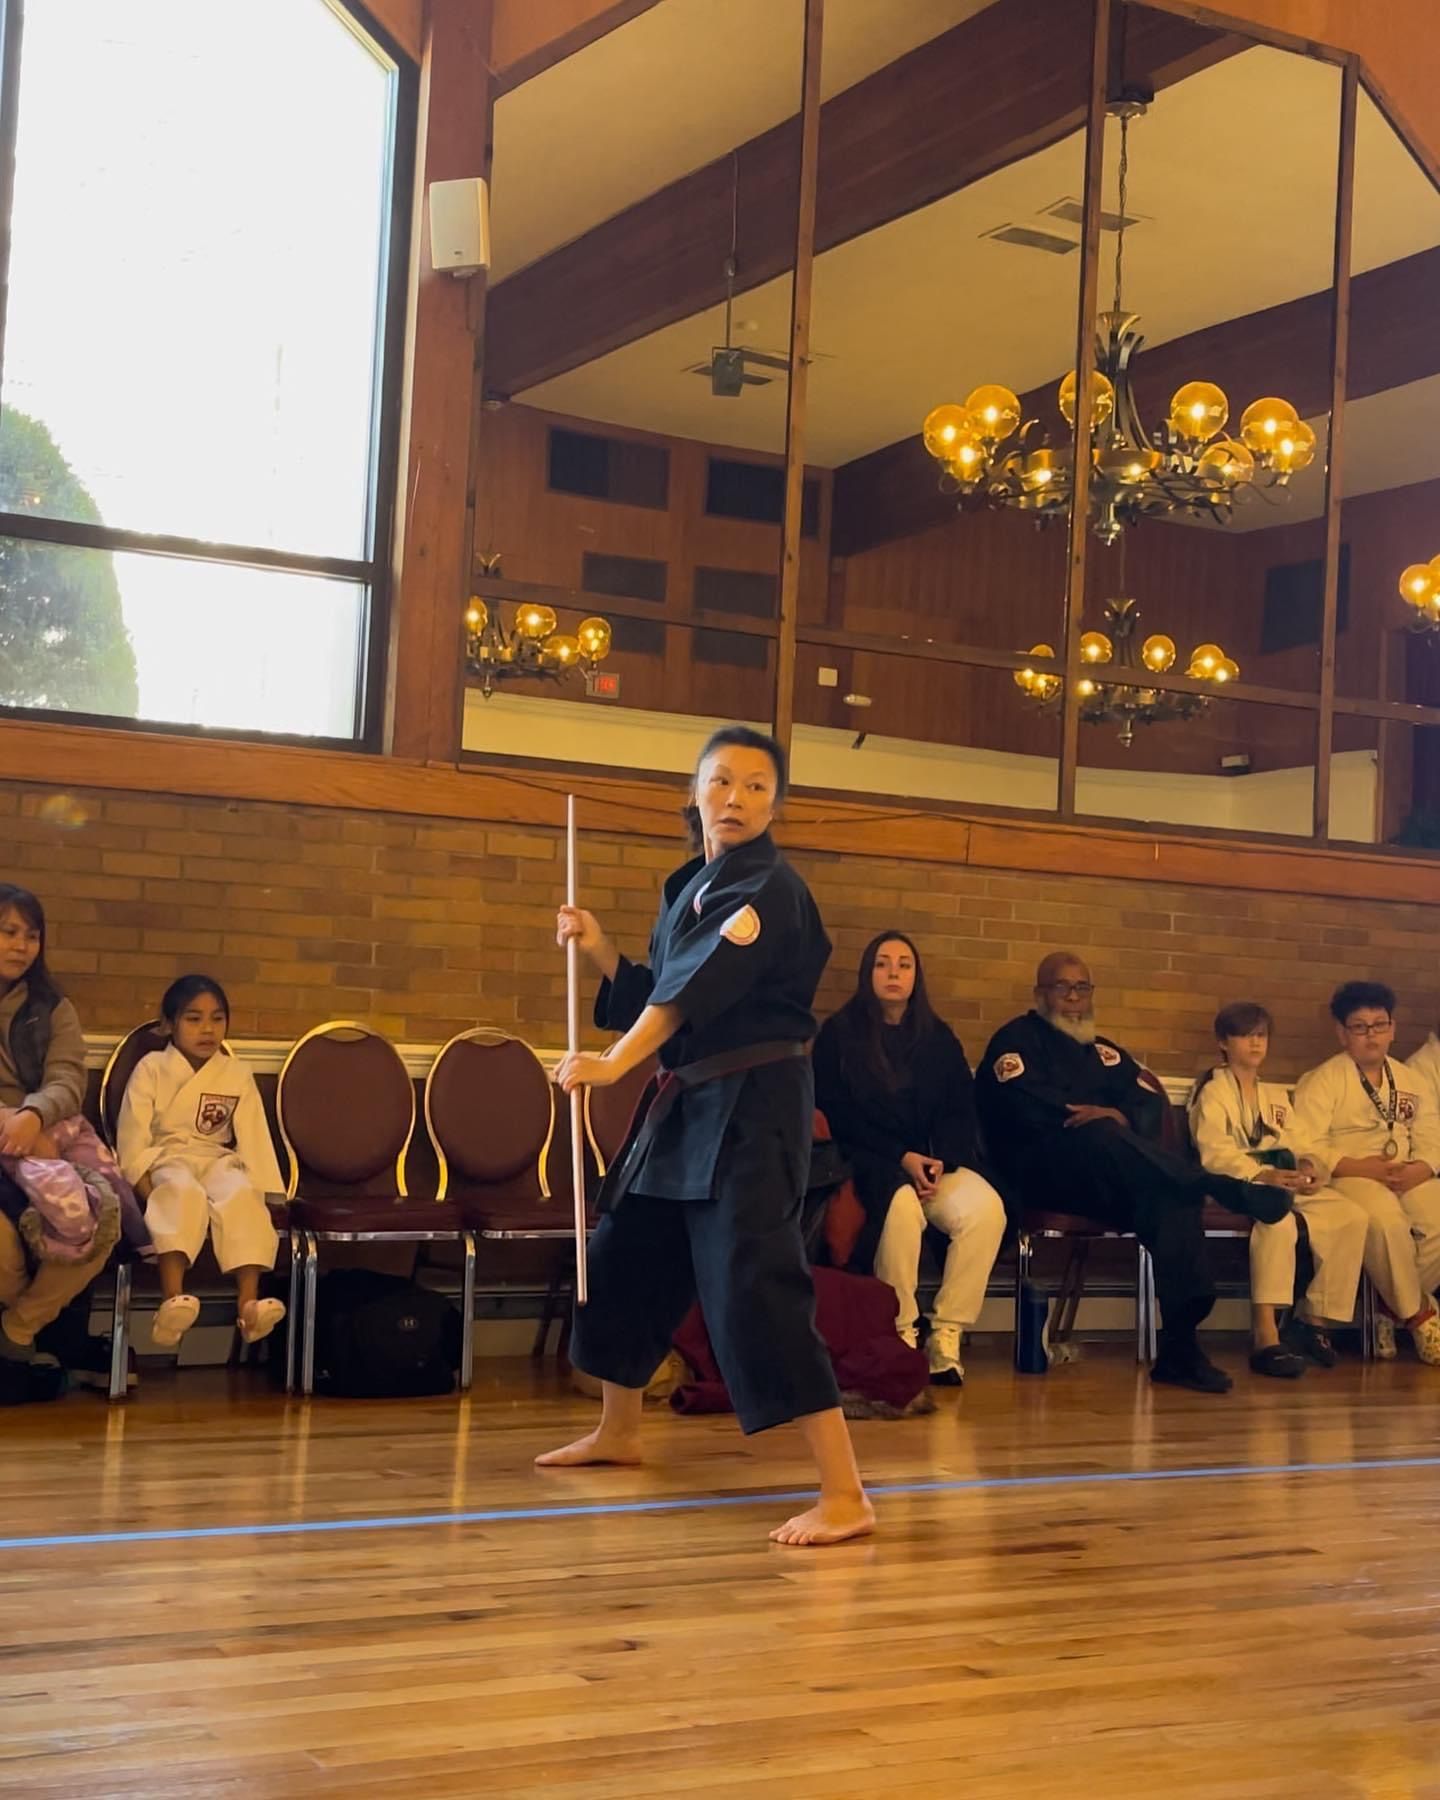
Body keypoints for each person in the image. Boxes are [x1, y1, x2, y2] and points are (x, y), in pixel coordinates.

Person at [540, 724, 873, 1548]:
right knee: (625, 1258)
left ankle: (846, 1494)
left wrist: (613, 1064)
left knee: (753, 1286)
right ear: (695, 794)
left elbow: (696, 994)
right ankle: (620, 1430)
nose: (737, 798)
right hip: (688, 1103)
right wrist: (602, 949)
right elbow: (662, 987)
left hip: (754, 1107)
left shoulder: (768, 890)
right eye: (722, 782)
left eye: (757, 786)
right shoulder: (695, 882)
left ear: (777, 804)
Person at [976, 951, 1291, 1395]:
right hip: (1046, 1177)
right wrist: (1106, 1121)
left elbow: (1145, 1102)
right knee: (1103, 1134)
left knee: (1171, 1200)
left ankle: (1180, 1352)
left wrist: (1117, 1115)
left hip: (1109, 1179)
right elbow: (1023, 1109)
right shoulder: (1015, 1041)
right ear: (1040, 994)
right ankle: (1213, 1184)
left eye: (1082, 987)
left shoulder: (1103, 1053)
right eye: (1062, 987)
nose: (1073, 997)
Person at [813, 931, 1005, 1385]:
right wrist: (902, 1158)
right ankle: (901, 1332)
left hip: (936, 1164)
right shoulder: (839, 1034)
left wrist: (941, 1160)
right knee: (900, 1211)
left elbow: (962, 1105)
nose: (894, 973)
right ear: (867, 973)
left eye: (904, 964)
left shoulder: (937, 1037)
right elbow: (837, 1114)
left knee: (985, 1210)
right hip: (869, 1160)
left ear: (917, 977)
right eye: (883, 963)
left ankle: (947, 1332)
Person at [0, 883, 142, 1388]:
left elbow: (67, 1079)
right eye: (9, 932)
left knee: (98, 1220)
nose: (21, 946)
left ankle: (18, 1332)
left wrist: (34, 1118)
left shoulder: (53, 1007)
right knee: (6, 1249)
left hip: (47, 1136)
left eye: (32, 936)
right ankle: (30, 1347)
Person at [1189, 1002, 1367, 1379]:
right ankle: (1265, 1334)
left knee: (1351, 1214)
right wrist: (1261, 1174)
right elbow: (1214, 1153)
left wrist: (1309, 1166)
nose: (1255, 1044)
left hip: (1281, 1180)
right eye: (1245, 1035)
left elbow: (1300, 1140)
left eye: (1261, 1035)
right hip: (1236, 1184)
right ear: (1223, 1042)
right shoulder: (1212, 1091)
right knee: (1278, 1220)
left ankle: (1313, 1321)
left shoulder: (1274, 1095)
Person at [117, 974, 286, 1350]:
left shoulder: (235, 1072)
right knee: (180, 1192)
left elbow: (254, 1135)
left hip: (216, 1159)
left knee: (242, 1194)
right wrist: (143, 1185)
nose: (207, 1029)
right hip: (167, 1157)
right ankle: (172, 1300)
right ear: (168, 1024)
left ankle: (249, 1305)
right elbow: (132, 1134)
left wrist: (267, 1191)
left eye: (217, 1018)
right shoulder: (150, 1068)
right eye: (194, 1019)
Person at [1292, 981, 1440, 1365]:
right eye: (1360, 1027)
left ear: (1393, 1028)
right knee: (1386, 1221)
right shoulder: (1323, 1079)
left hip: (1405, 1174)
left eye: (1379, 1025)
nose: (1371, 1035)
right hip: (1350, 1175)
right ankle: (1420, 1316)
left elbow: (1431, 1137)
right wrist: (1361, 1168)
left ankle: (1386, 1312)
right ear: (1342, 1033)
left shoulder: (1412, 1080)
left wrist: (1420, 1169)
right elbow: (1305, 1143)